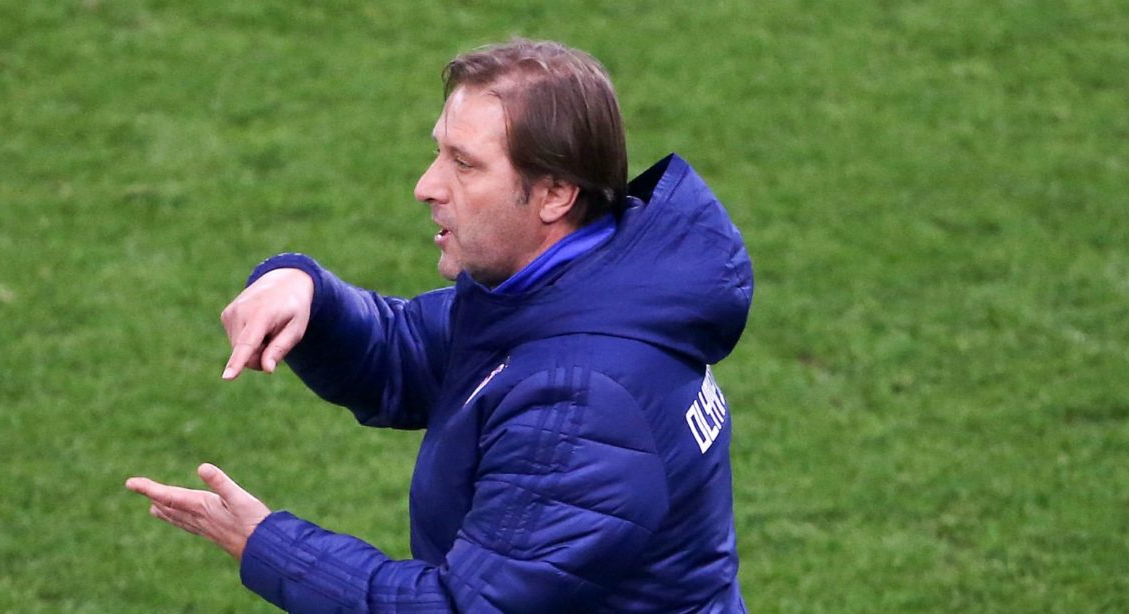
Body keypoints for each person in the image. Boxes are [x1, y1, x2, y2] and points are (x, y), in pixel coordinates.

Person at [126, 39, 753, 612]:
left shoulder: (582, 402)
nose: (426, 185)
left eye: (465, 164)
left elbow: (462, 608)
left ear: (555, 194)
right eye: (438, 152)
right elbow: (407, 356)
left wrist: (265, 544)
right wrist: (307, 292)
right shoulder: (571, 290)